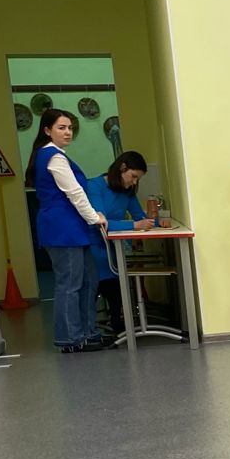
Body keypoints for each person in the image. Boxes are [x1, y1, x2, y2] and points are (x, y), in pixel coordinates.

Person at [27, 109, 110, 352]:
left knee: (89, 280)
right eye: (61, 128)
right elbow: (74, 192)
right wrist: (94, 217)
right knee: (70, 284)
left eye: (70, 128)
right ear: (47, 130)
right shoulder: (53, 156)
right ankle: (70, 339)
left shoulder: (55, 155)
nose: (68, 132)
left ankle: (88, 332)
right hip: (62, 229)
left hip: (73, 227)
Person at [84, 151, 153, 337]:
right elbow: (101, 223)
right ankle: (90, 330)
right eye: (133, 176)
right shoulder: (95, 186)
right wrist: (134, 225)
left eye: (138, 179)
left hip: (115, 247)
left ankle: (118, 323)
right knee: (103, 283)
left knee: (116, 283)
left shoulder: (127, 192)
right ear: (122, 168)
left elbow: (140, 217)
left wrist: (157, 222)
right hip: (94, 244)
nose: (134, 182)